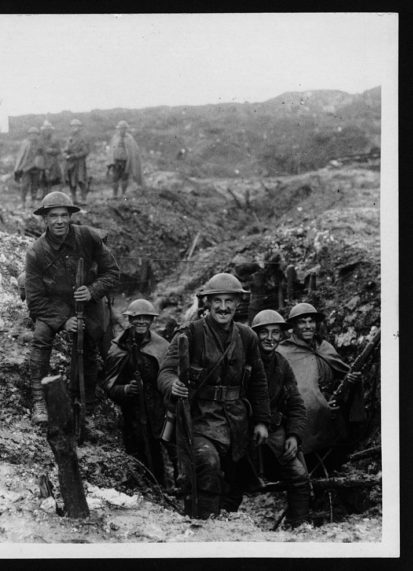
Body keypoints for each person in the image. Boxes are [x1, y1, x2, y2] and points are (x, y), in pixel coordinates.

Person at [159, 272, 271, 518]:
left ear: (238, 303)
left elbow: (259, 382)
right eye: (217, 301)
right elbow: (166, 372)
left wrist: (262, 420)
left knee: (234, 483)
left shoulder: (247, 336)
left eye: (229, 301)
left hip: (236, 423)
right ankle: (203, 528)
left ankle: (225, 529)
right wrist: (173, 384)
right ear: (207, 303)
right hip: (199, 420)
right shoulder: (190, 334)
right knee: (206, 467)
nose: (223, 307)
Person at [25, 191, 120, 426]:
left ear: (70, 217)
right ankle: (38, 400)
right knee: (41, 336)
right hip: (53, 305)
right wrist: (63, 320)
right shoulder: (36, 252)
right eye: (53, 216)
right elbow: (35, 301)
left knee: (93, 338)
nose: (59, 221)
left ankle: (87, 401)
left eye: (64, 215)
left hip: (86, 300)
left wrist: (93, 290)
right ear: (45, 220)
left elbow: (112, 272)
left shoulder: (87, 237)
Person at [250, 310, 310, 528]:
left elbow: (295, 403)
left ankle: (298, 528)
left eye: (276, 332)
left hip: (274, 431)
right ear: (254, 335)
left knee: (299, 476)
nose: (270, 337)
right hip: (243, 430)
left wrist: (294, 435)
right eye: (264, 332)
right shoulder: (242, 360)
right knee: (231, 482)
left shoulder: (282, 365)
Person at [277, 303, 361, 454]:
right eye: (302, 322)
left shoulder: (324, 347)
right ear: (293, 326)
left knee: (343, 438)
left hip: (333, 405)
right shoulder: (283, 352)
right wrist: (320, 403)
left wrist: (350, 382)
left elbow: (342, 375)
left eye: (311, 321)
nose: (308, 326)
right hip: (303, 410)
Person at [103, 299, 171, 486]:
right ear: (130, 320)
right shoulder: (118, 347)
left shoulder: (161, 345)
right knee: (136, 449)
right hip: (131, 411)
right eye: (137, 318)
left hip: (157, 408)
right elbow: (108, 385)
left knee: (161, 447)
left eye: (146, 318)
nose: (141, 322)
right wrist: (125, 389)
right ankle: (142, 487)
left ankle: (165, 486)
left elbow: (170, 376)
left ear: (152, 321)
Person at [107, 120, 143, 198]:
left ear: (126, 129)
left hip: (126, 162)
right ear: (118, 129)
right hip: (116, 161)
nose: (122, 130)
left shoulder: (130, 138)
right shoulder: (115, 138)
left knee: (125, 177)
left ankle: (123, 193)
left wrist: (132, 160)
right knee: (115, 178)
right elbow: (111, 150)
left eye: (124, 128)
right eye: (120, 128)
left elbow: (134, 151)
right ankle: (115, 194)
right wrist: (110, 161)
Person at [14, 127, 45, 207]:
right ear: (29, 135)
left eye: (35, 134)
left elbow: (43, 155)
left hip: (36, 168)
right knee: (25, 185)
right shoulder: (25, 143)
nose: (33, 136)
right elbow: (21, 155)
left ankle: (33, 201)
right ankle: (23, 202)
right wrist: (18, 168)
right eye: (31, 134)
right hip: (26, 168)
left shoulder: (40, 144)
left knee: (35, 185)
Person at [62, 119, 90, 205]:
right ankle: (74, 199)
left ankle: (84, 199)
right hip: (70, 163)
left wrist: (75, 155)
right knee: (71, 182)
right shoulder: (69, 138)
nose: (75, 128)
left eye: (76, 126)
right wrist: (66, 155)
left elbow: (85, 151)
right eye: (73, 126)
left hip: (79, 163)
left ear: (80, 128)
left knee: (81, 180)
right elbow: (65, 149)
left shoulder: (83, 138)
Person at [40, 120, 62, 193]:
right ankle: (44, 193)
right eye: (45, 130)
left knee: (51, 179)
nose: (47, 131)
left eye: (48, 130)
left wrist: (51, 150)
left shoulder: (55, 139)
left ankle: (50, 194)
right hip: (42, 161)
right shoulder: (40, 140)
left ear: (51, 130)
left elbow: (59, 150)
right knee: (42, 178)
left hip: (52, 162)